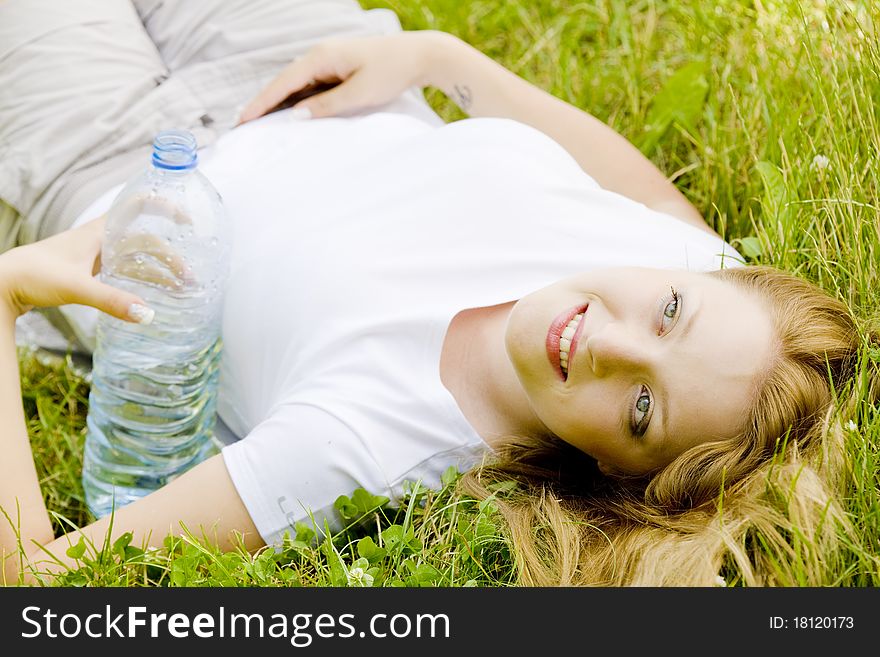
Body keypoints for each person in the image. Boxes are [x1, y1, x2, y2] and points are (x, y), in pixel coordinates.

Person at [0, 0, 876, 586]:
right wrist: (437, 58)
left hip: (112, 158)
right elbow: (655, 198)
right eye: (670, 312)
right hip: (294, 55)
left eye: (644, 406)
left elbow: (35, 575)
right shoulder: (680, 267)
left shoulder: (370, 448)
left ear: (619, 470)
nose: (615, 343)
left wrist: (5, 299)